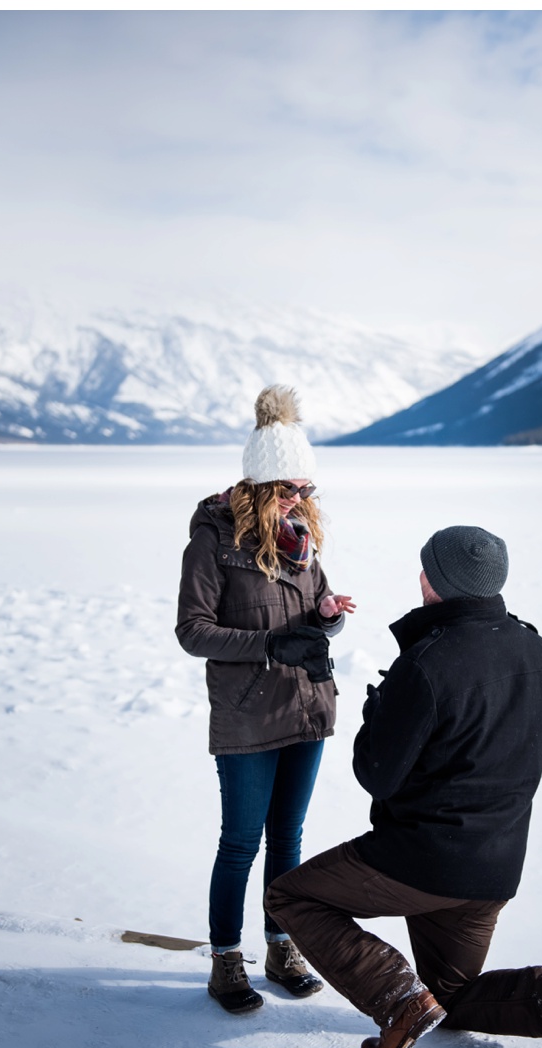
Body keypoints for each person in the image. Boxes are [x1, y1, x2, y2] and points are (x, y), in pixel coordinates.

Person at [266, 526, 542, 1048]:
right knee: (450, 998)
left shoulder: (429, 662)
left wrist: (378, 712)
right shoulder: (535, 648)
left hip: (420, 859)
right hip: (495, 868)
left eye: (425, 568)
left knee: (291, 897)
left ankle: (396, 1000)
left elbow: (376, 775)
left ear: (434, 582)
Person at [176, 385, 355, 1015]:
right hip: (249, 713)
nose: (299, 500)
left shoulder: (303, 541)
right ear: (255, 484)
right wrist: (270, 645)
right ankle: (226, 961)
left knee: (289, 841)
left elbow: (311, 618)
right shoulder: (213, 541)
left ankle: (283, 948)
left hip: (305, 708)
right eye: (286, 488)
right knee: (241, 844)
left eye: (305, 489)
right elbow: (193, 631)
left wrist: (327, 614)